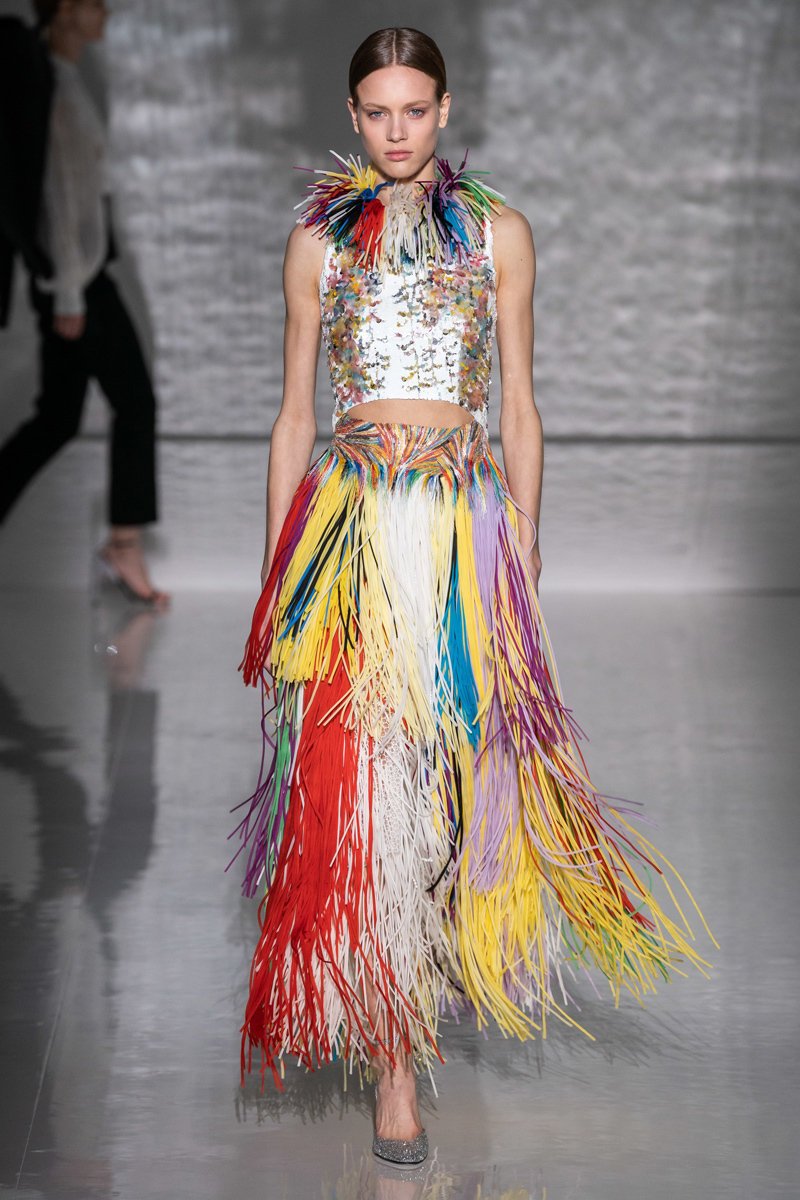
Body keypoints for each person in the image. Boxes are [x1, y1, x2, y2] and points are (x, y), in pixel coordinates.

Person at [230, 27, 714, 1168]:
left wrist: (525, 543)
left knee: (459, 777)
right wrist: (277, 569)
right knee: (368, 785)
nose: (396, 130)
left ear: (445, 109)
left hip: (464, 529)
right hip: (353, 526)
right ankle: (395, 1064)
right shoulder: (315, 243)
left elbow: (521, 406)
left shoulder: (500, 233)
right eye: (376, 111)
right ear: (353, 115)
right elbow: (294, 415)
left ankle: (433, 951)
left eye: (415, 109)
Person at [0, 0, 167, 607]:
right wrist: (69, 289)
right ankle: (123, 544)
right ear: (66, 9)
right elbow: (57, 197)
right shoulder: (51, 87)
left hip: (76, 277)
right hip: (77, 282)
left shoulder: (66, 79)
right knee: (135, 403)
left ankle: (122, 547)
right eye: (94, 2)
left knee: (57, 418)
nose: (107, 12)